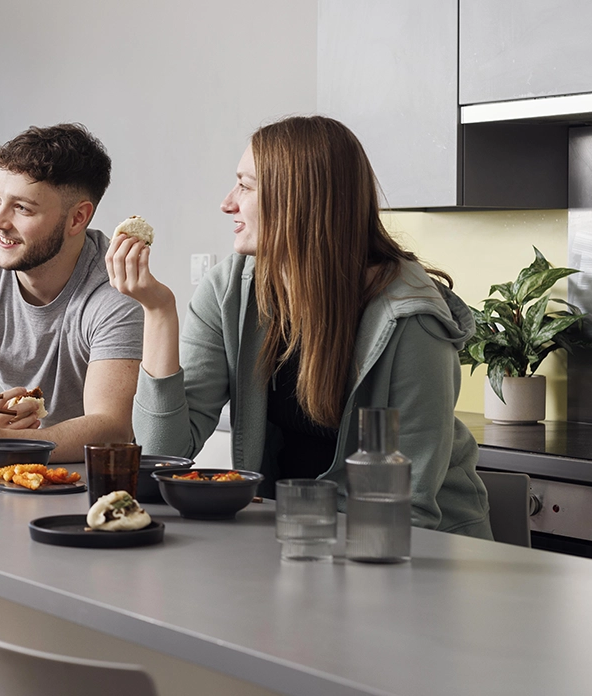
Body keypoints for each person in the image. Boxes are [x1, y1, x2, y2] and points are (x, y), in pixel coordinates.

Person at [106, 115, 492, 537]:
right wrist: (159, 311)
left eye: (246, 186)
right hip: (296, 535)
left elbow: (411, 508)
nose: (227, 202)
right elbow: (162, 455)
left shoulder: (411, 319)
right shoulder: (230, 289)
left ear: (297, 199)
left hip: (422, 552)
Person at [0, 123, 143, 463]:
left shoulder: (115, 291)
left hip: (95, 478)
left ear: (78, 218)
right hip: (5, 473)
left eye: (22, 208)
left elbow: (111, 429)